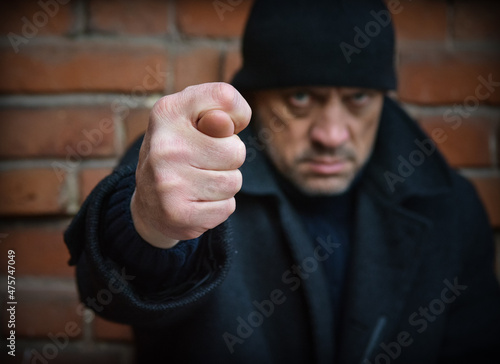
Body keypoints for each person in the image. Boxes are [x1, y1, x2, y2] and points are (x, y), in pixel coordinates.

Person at [64, 0, 500, 363]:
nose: (331, 134)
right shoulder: (186, 167)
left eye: (358, 99)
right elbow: (108, 290)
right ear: (254, 95)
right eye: (301, 97)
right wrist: (151, 224)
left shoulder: (449, 205)